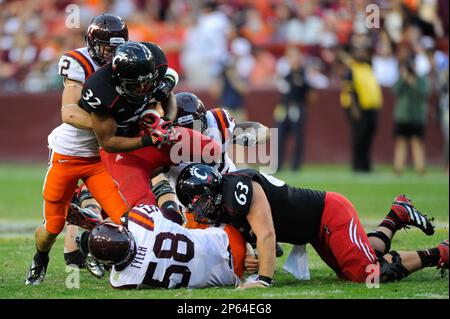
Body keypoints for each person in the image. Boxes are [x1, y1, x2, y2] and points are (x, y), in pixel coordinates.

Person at [175, 164, 448, 288]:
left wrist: (264, 280)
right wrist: (252, 256)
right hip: (314, 229)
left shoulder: (238, 187)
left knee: (367, 274)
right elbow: (266, 242)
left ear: (213, 188)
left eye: (203, 203)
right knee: (355, 267)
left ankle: (440, 253)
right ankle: (397, 215)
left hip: (329, 214)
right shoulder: (225, 203)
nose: (202, 211)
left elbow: (267, 233)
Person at [25, 14, 132, 286]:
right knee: (53, 227)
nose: (113, 54)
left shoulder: (127, 61)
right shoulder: (78, 62)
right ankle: (40, 257)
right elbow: (69, 113)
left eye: (118, 47)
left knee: (125, 220)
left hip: (101, 159)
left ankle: (94, 245)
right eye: (108, 47)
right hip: (68, 155)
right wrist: (113, 128)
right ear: (93, 43)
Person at [78, 42, 221, 209]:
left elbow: (168, 94)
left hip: (154, 131)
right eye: (135, 85)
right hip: (125, 150)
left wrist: (166, 120)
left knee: (211, 150)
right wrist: (148, 140)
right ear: (118, 80)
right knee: (143, 207)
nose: (142, 88)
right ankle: (89, 196)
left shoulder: (155, 61)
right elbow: (108, 143)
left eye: (146, 83)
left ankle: (203, 197)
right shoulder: (100, 90)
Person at [339, 47, 383, 172]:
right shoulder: (351, 70)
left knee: (368, 137)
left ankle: (366, 165)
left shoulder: (367, 68)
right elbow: (348, 90)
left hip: (371, 109)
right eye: (359, 51)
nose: (362, 53)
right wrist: (353, 108)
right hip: (359, 108)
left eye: (363, 51)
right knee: (359, 137)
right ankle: (357, 165)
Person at [274, 45, 312, 170]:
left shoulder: (303, 74)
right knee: (279, 136)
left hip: (297, 107)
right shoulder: (286, 73)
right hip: (284, 107)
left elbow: (310, 93)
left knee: (298, 137)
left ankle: (295, 165)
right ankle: (278, 165)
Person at [392, 57, 430, 175]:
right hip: (402, 116)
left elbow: (423, 92)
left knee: (417, 143)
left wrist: (413, 82)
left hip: (416, 116)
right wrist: (403, 78)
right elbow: (395, 90)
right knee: (401, 143)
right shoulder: (401, 78)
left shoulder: (421, 80)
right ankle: (398, 169)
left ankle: (420, 168)